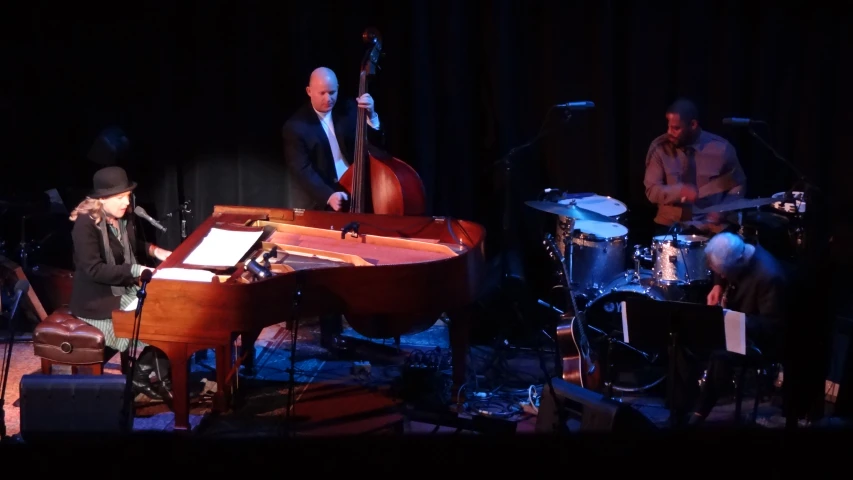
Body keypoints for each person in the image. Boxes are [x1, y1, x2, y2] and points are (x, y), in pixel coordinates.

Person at [68, 166, 174, 401]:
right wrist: (136, 269)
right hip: (97, 300)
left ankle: (145, 374)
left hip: (124, 288)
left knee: (171, 310)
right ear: (102, 199)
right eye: (119, 197)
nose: (126, 202)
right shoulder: (85, 224)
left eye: (127, 195)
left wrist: (157, 252)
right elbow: (94, 269)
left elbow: (134, 247)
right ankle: (150, 377)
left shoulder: (124, 218)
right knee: (159, 322)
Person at [686, 232, 789, 425]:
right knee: (683, 336)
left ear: (738, 263)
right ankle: (682, 405)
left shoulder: (769, 277)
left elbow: (771, 325)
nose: (723, 276)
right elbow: (721, 268)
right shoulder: (738, 251)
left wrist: (730, 320)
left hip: (758, 340)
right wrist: (718, 285)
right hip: (733, 322)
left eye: (724, 273)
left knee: (719, 353)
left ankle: (700, 413)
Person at [281, 66, 384, 211]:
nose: (328, 99)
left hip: (356, 190)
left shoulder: (349, 108)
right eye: (322, 93)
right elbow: (302, 170)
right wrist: (329, 196)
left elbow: (375, 148)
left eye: (332, 92)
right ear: (309, 91)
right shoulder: (295, 126)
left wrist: (371, 116)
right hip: (321, 199)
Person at [644, 98, 747, 236]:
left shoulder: (721, 149)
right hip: (670, 224)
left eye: (676, 128)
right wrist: (680, 192)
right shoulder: (660, 147)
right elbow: (651, 190)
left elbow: (739, 183)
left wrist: (723, 209)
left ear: (692, 125)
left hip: (711, 227)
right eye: (668, 126)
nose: (669, 132)